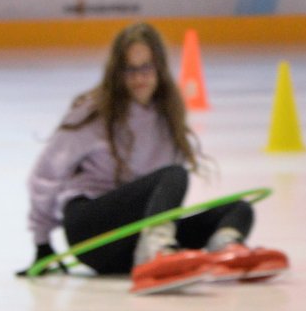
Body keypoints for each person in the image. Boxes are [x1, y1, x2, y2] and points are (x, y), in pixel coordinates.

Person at [21, 22, 288, 295]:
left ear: (159, 68)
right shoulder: (94, 112)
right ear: (117, 72)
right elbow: (46, 174)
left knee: (239, 209)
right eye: (130, 69)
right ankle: (156, 251)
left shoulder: (166, 116)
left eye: (146, 68)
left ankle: (226, 249)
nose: (139, 78)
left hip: (131, 241)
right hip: (92, 232)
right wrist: (42, 242)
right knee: (174, 175)